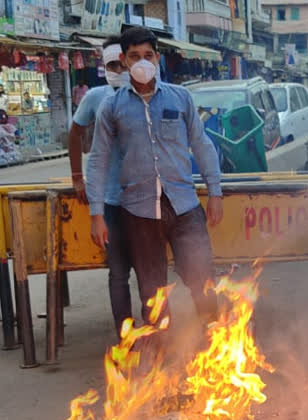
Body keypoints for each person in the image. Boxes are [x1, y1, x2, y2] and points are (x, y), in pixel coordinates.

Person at [86, 27, 223, 328]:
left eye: (148, 55)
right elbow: (97, 160)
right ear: (123, 60)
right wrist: (97, 213)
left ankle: (215, 343)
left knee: (201, 276)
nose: (142, 62)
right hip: (138, 210)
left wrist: (215, 193)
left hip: (184, 206)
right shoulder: (112, 107)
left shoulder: (181, 98)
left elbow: (201, 144)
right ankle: (159, 353)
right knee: (152, 289)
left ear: (158, 57)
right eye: (134, 56)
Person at [73, 36, 133, 338]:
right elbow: (75, 133)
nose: (119, 70)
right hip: (111, 202)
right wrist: (76, 178)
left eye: (123, 64)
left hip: (146, 202)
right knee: (118, 273)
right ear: (104, 66)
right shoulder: (96, 98)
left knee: (153, 275)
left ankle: (156, 337)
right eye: (112, 65)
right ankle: (126, 337)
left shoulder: (145, 95)